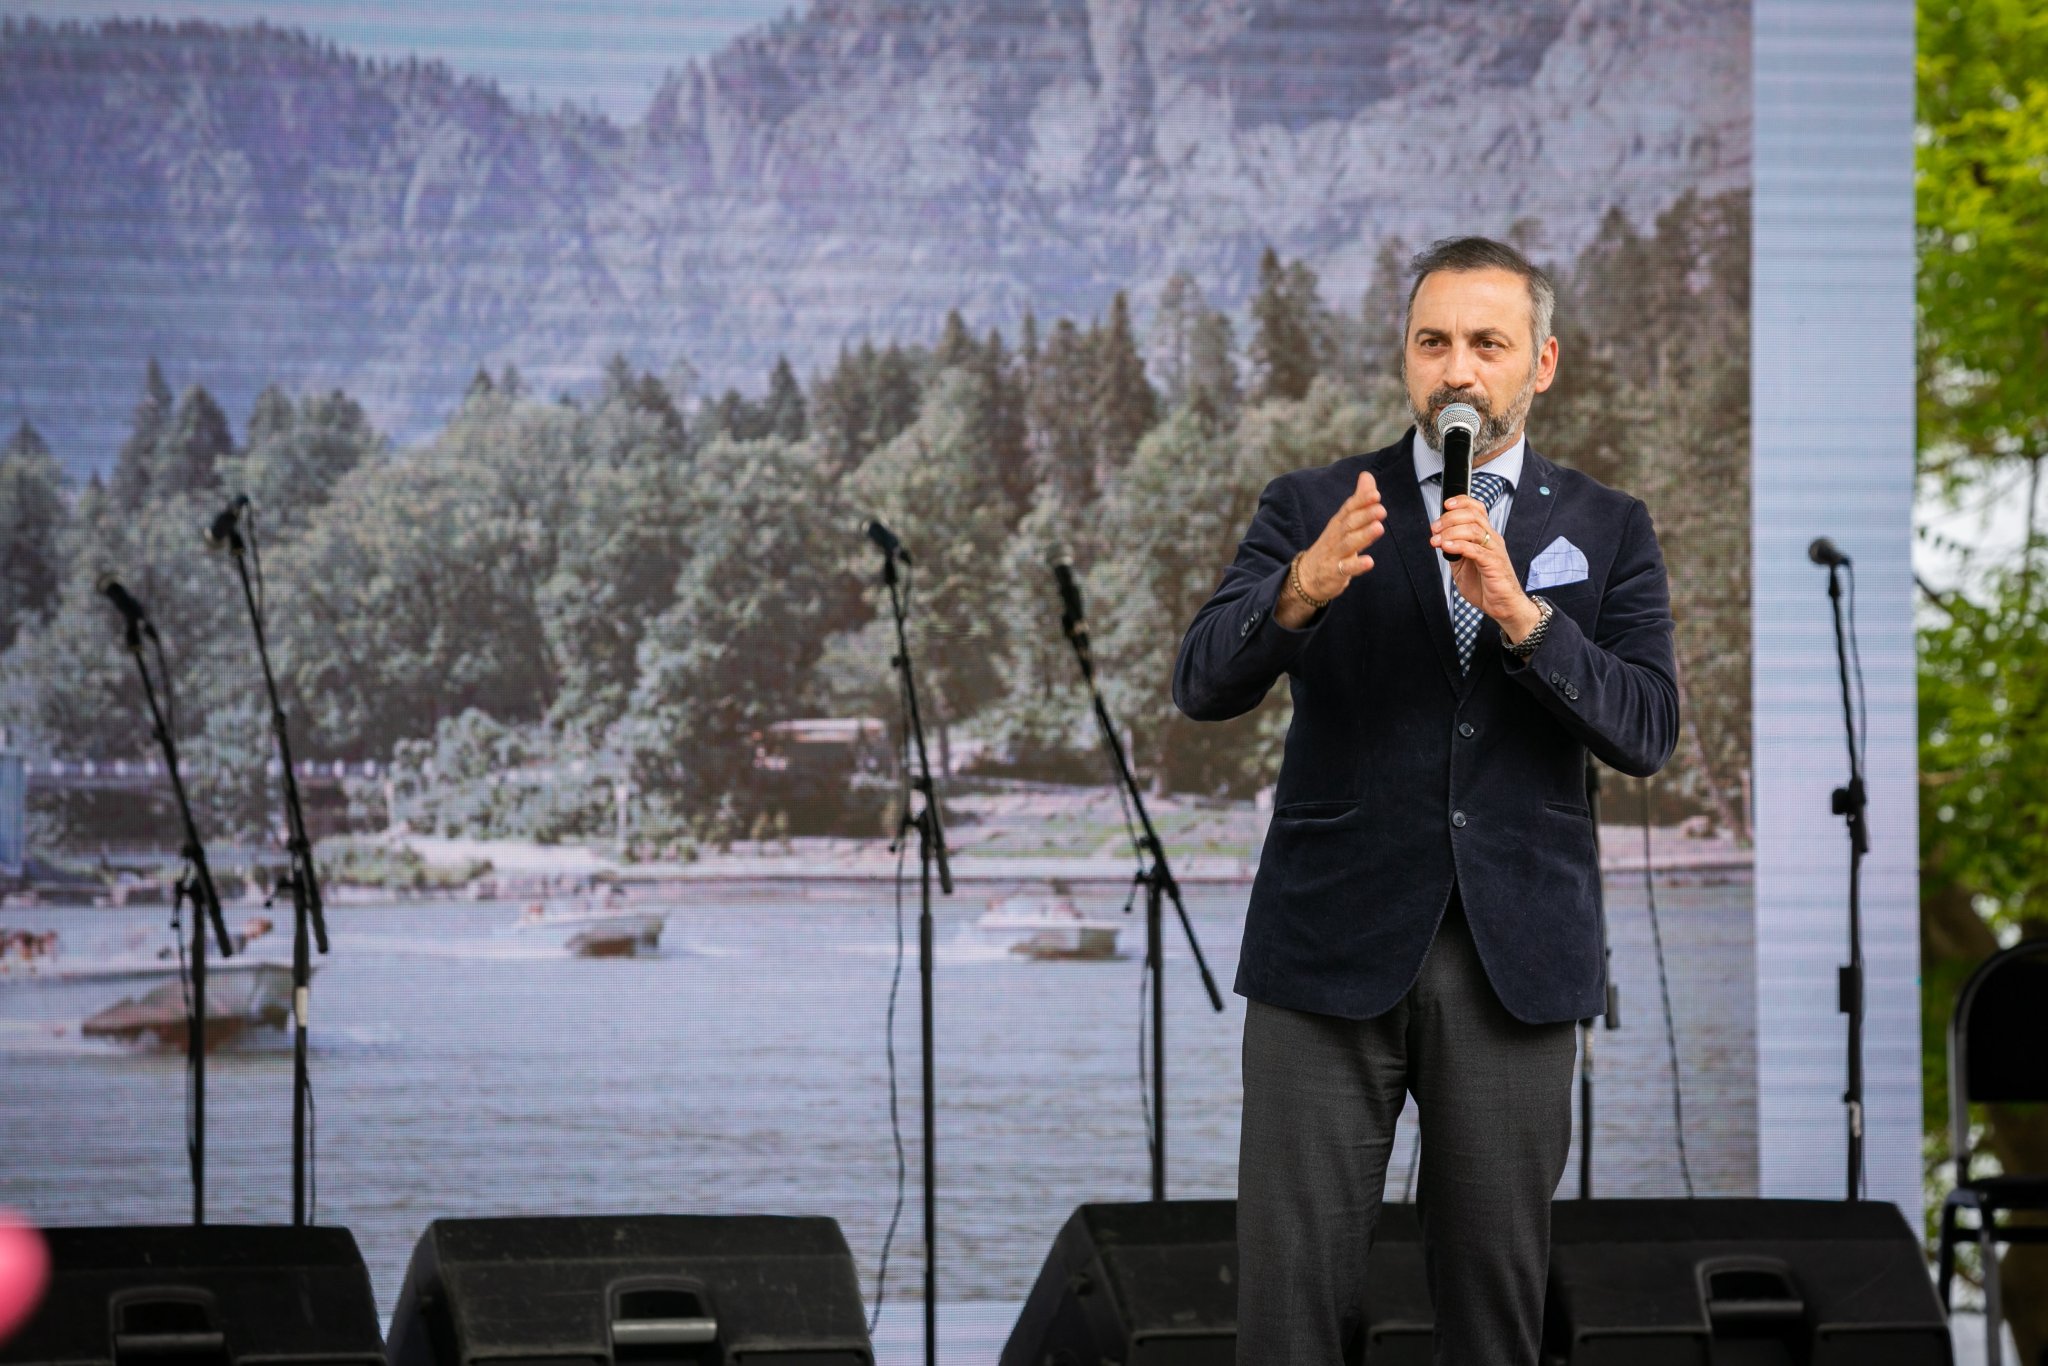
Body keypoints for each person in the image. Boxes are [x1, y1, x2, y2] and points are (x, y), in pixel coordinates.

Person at [1173, 236, 1678, 1364]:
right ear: (1405, 357)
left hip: (1516, 961)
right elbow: (1201, 682)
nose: (1457, 370)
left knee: (1494, 1319)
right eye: (1432, 342)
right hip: (1325, 951)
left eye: (1486, 344)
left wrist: (1523, 617)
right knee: (1287, 1314)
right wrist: (1296, 591)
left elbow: (1646, 727)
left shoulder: (1606, 525)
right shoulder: (1314, 503)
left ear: (1541, 363)